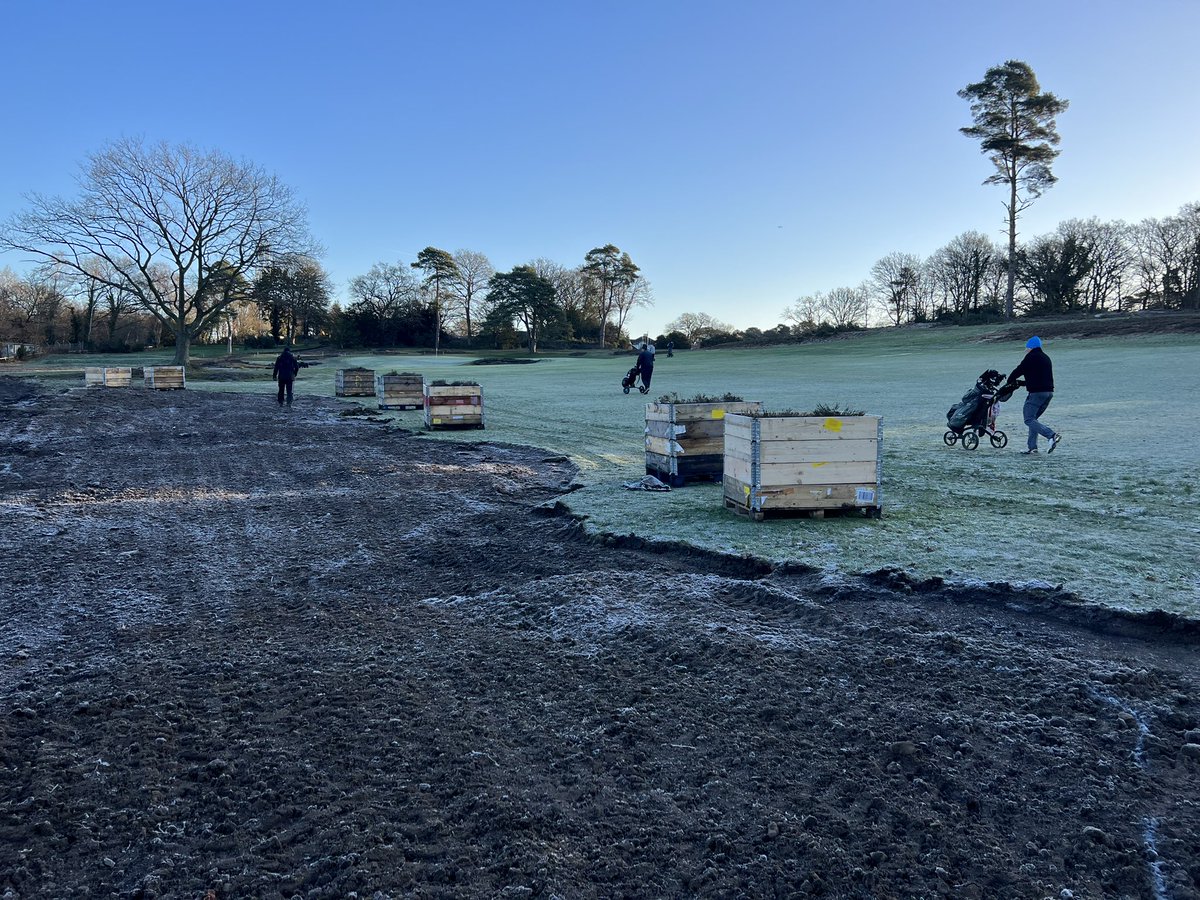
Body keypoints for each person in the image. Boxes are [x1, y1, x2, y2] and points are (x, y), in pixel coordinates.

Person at [1005, 336, 1062, 455]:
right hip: (1048, 393)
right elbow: (1037, 377)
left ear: (1030, 347)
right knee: (1033, 420)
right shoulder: (1046, 358)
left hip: (1036, 394)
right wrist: (1022, 383)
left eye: (1027, 348)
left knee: (1028, 419)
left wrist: (1010, 380)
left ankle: (1051, 435)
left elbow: (1019, 370)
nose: (1026, 350)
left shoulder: (1030, 357)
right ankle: (1032, 448)